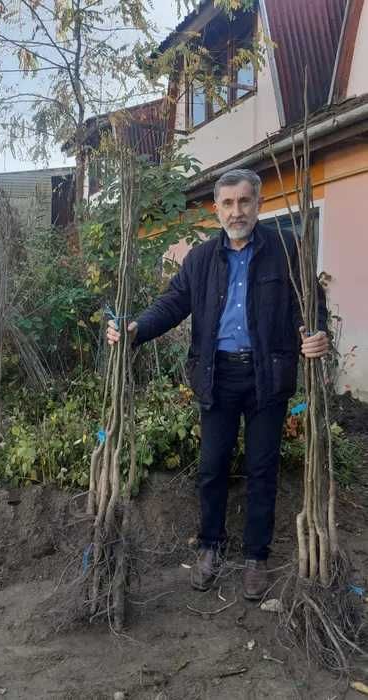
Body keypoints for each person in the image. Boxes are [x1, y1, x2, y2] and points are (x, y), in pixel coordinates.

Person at [106, 169, 328, 600]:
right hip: (217, 375)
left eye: (244, 202)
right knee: (212, 469)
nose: (236, 211)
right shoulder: (202, 259)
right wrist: (136, 329)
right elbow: (173, 303)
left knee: (262, 470)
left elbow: (309, 304)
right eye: (227, 204)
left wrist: (315, 334)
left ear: (258, 204)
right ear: (216, 209)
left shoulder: (285, 250)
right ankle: (209, 547)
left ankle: (255, 558)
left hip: (268, 375)